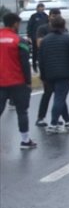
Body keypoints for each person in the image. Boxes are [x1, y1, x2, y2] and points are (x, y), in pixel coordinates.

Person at [38, 15, 69, 134]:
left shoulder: (45, 40)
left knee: (59, 96)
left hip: (50, 73)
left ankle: (67, 120)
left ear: (51, 26)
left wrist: (43, 76)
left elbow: (41, 59)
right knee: (60, 97)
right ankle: (53, 124)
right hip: (65, 73)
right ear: (64, 25)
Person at [0, 12, 37, 148]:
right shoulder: (19, 41)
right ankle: (25, 140)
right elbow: (24, 63)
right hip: (17, 81)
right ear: (15, 23)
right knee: (22, 111)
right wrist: (28, 82)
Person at [32, 8, 59, 127]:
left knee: (60, 94)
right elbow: (39, 44)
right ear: (49, 17)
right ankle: (40, 118)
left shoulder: (63, 29)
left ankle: (56, 118)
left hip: (59, 65)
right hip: (46, 64)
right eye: (53, 16)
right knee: (47, 92)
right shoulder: (42, 29)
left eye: (57, 16)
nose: (55, 18)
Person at [25, 2, 47, 75]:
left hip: (44, 38)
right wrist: (29, 35)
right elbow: (29, 26)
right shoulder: (33, 16)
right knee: (35, 52)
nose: (41, 8)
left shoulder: (46, 16)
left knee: (43, 52)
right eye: (40, 7)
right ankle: (34, 66)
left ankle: (43, 66)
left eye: (42, 7)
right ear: (37, 8)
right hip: (35, 37)